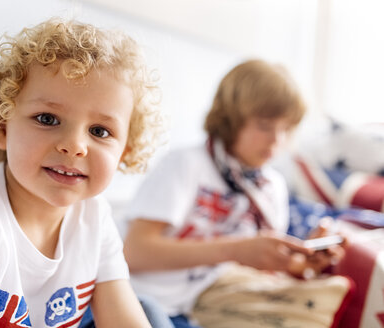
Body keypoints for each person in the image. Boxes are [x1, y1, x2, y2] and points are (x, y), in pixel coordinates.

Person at [0, 18, 165, 327]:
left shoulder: (94, 215)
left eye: (100, 131)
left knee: (149, 311)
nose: (74, 146)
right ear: (1, 126)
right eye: (47, 119)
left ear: (124, 151)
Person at [123, 59, 348, 328]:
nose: (276, 140)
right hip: (150, 299)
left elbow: (262, 267)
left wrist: (303, 261)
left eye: (286, 128)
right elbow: (134, 253)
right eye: (265, 126)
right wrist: (235, 250)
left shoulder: (271, 186)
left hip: (211, 306)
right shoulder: (187, 164)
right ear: (230, 119)